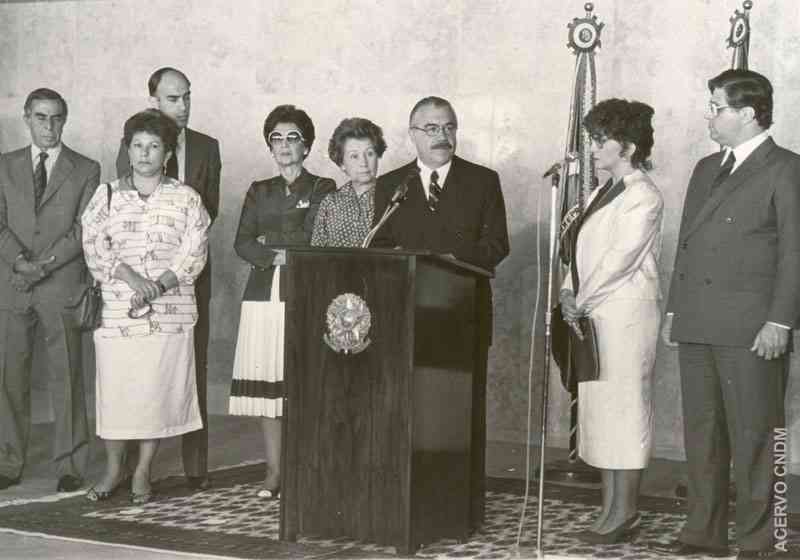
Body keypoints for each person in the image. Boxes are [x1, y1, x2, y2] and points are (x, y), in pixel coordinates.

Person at [656, 69, 800, 559]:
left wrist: (780, 321)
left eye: (716, 106)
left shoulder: (786, 168)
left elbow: (796, 254)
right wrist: (675, 309)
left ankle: (766, 538)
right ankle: (704, 531)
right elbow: (687, 246)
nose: (709, 115)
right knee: (703, 435)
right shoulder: (704, 168)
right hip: (698, 322)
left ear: (748, 113)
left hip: (752, 329)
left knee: (760, 438)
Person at [371, 96, 509, 528]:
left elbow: (496, 247)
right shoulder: (392, 185)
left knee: (459, 415)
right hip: (409, 319)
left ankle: (460, 511)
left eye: (448, 127)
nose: (441, 136)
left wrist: (442, 256)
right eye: (430, 129)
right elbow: (378, 248)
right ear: (412, 135)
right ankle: (409, 505)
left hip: (463, 316)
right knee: (412, 415)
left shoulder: (483, 181)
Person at [82, 109, 210, 504]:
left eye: (154, 146)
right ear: (127, 149)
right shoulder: (106, 194)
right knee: (118, 393)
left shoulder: (186, 198)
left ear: (167, 153)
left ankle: (142, 471)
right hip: (119, 312)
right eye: (138, 145)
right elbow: (93, 244)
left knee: (155, 394)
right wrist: (132, 278)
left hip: (169, 314)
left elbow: (195, 250)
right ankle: (114, 468)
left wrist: (161, 285)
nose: (145, 154)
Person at [558, 98, 662, 543]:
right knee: (601, 415)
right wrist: (567, 290)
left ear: (630, 147)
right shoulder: (603, 191)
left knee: (625, 413)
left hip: (625, 318)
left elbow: (620, 260)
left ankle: (626, 513)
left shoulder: (643, 194)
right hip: (593, 313)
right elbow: (581, 250)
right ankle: (609, 511)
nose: (593, 149)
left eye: (602, 141)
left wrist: (578, 299)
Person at [116, 67, 221, 490]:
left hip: (188, 275)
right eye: (173, 99)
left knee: (192, 364)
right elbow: (123, 210)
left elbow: (207, 211)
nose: (183, 106)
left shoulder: (207, 147)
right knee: (136, 366)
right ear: (153, 100)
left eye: (188, 97)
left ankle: (195, 465)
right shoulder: (136, 145)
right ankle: (126, 468)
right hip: (137, 277)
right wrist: (146, 272)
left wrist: (172, 268)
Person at [229, 105, 335, 498]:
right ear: (269, 145)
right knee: (267, 388)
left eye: (293, 138)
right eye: (277, 137)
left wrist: (270, 241)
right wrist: (280, 249)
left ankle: (306, 467)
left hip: (304, 292)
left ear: (306, 146)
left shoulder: (323, 188)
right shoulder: (259, 190)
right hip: (260, 296)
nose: (284, 145)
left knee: (301, 381)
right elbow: (241, 242)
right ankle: (274, 471)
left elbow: (316, 238)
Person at [0, 88, 100, 493]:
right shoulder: (3, 166)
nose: (49, 125)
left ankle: (71, 465)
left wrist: (41, 266)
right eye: (41, 117)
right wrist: (19, 261)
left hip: (61, 286)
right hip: (14, 285)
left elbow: (84, 228)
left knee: (67, 375)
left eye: (56, 117)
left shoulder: (86, 168)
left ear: (65, 119)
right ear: (26, 118)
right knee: (9, 376)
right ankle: (8, 461)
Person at [311, 117, 387, 247]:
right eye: (354, 156)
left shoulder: (392, 199)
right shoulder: (330, 203)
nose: (363, 163)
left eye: (369, 153)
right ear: (342, 163)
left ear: (378, 156)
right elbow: (316, 252)